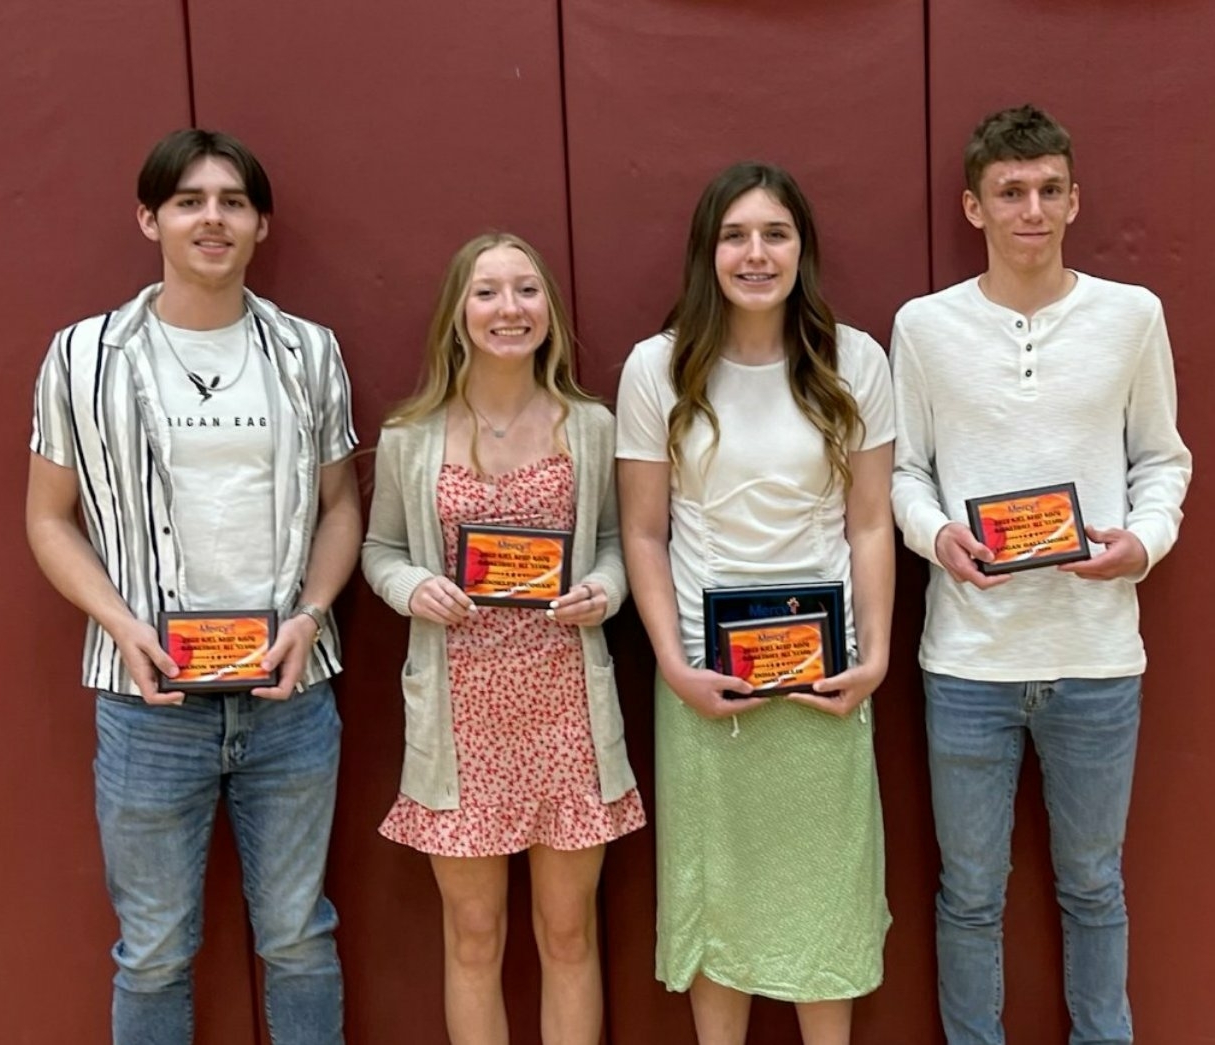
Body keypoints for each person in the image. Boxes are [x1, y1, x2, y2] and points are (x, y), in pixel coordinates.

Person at [25, 129, 360, 1045]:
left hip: (290, 696)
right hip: (148, 704)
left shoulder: (309, 352)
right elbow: (48, 518)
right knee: (153, 952)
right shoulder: (82, 356)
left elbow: (341, 507)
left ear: (260, 225)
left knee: (299, 937)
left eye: (232, 202)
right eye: (189, 201)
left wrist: (311, 614)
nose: (212, 219)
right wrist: (119, 622)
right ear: (150, 219)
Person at [890, 104, 1192, 1045]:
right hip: (968, 662)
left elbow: (1163, 459)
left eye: (1049, 190)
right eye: (1011, 191)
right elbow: (905, 471)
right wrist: (937, 536)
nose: (1032, 209)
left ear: (1074, 199)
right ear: (972, 206)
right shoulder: (924, 327)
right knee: (970, 893)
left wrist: (1143, 542)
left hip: (1097, 657)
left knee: (1094, 885)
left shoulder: (1132, 316)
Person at [616, 161, 894, 1045]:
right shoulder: (658, 367)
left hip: (825, 679)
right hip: (707, 681)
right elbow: (644, 533)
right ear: (708, 251)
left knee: (827, 901)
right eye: (735, 235)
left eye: (775, 233)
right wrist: (673, 665)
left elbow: (871, 522)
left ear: (802, 249)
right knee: (719, 905)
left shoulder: (854, 359)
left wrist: (875, 655)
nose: (756, 254)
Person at [362, 232, 644, 1045]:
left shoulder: (590, 426)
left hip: (565, 710)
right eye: (487, 291)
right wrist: (411, 587)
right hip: (460, 718)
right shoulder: (412, 435)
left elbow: (616, 540)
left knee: (569, 933)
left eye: (526, 290)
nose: (508, 308)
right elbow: (380, 550)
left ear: (549, 309)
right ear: (458, 312)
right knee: (474, 937)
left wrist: (606, 588)